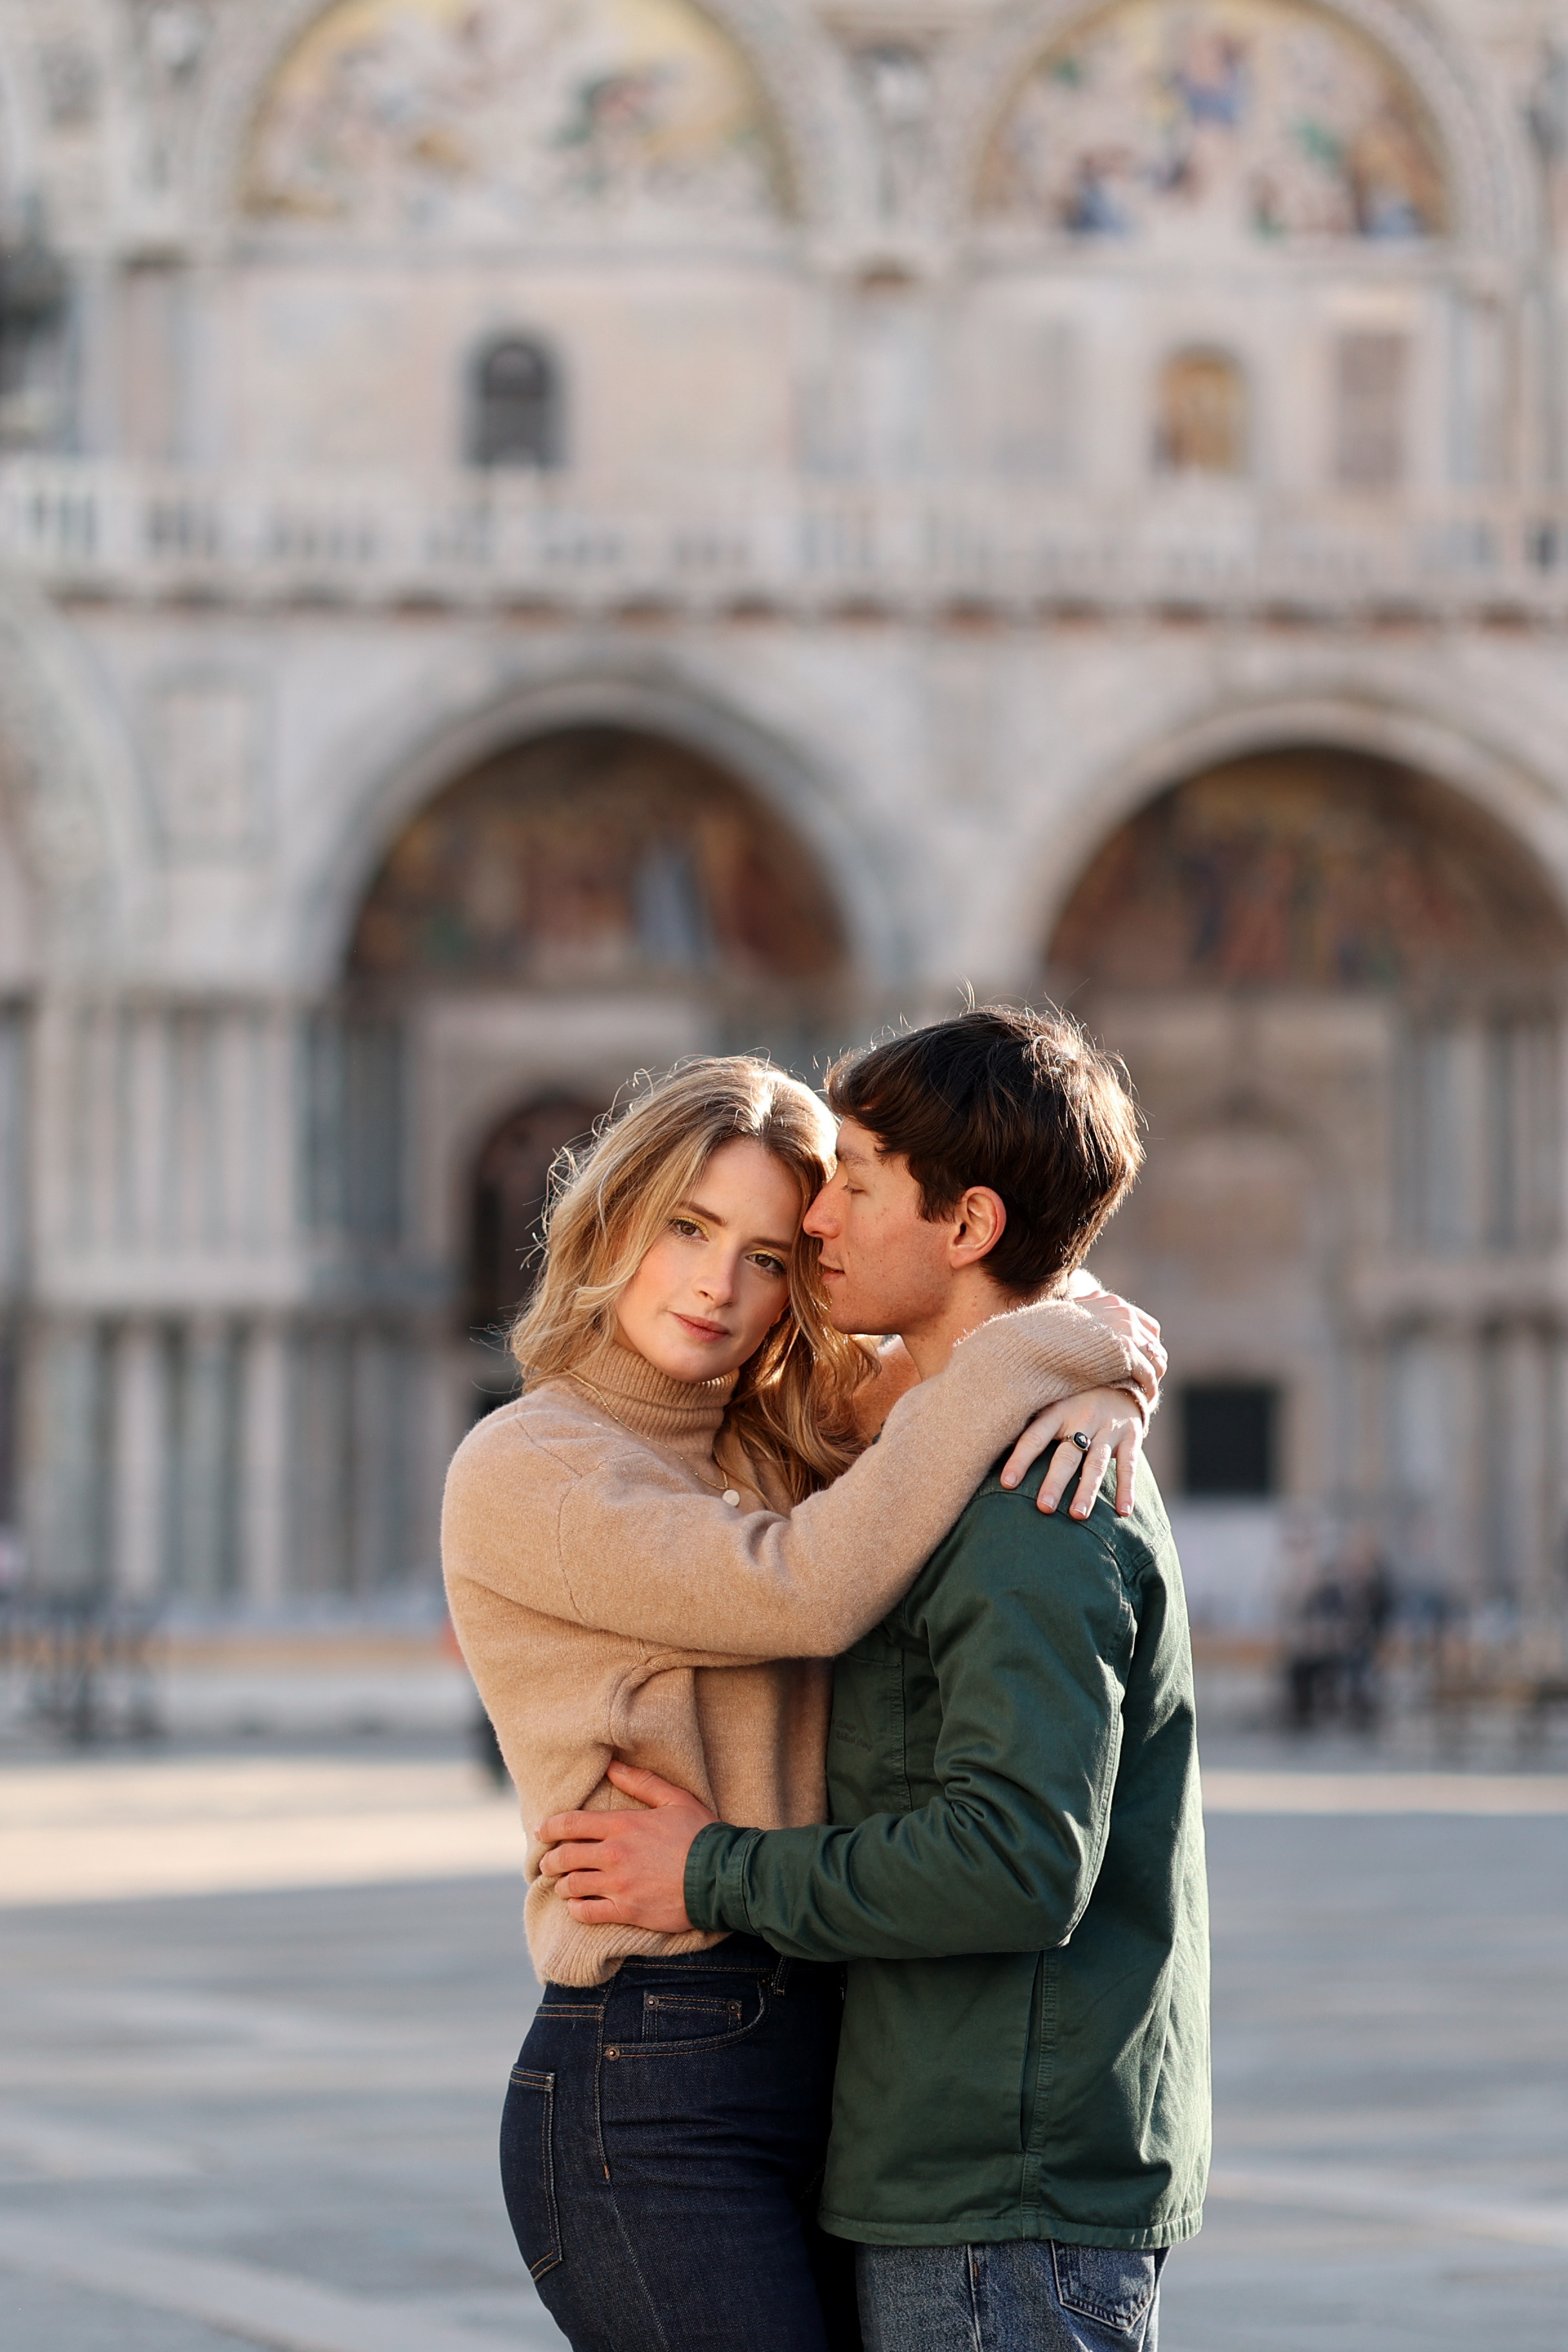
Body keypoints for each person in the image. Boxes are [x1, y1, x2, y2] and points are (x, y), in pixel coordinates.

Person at [442, 1050, 1164, 2352]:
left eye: (771, 1256)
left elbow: (979, 1321)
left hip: (829, 2047)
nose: (721, 1286)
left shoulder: (779, 1432)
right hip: (648, 2078)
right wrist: (1063, 1350)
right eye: (687, 1228)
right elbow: (803, 1592)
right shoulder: (529, 1464)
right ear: (612, 1219)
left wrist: (1101, 1370)